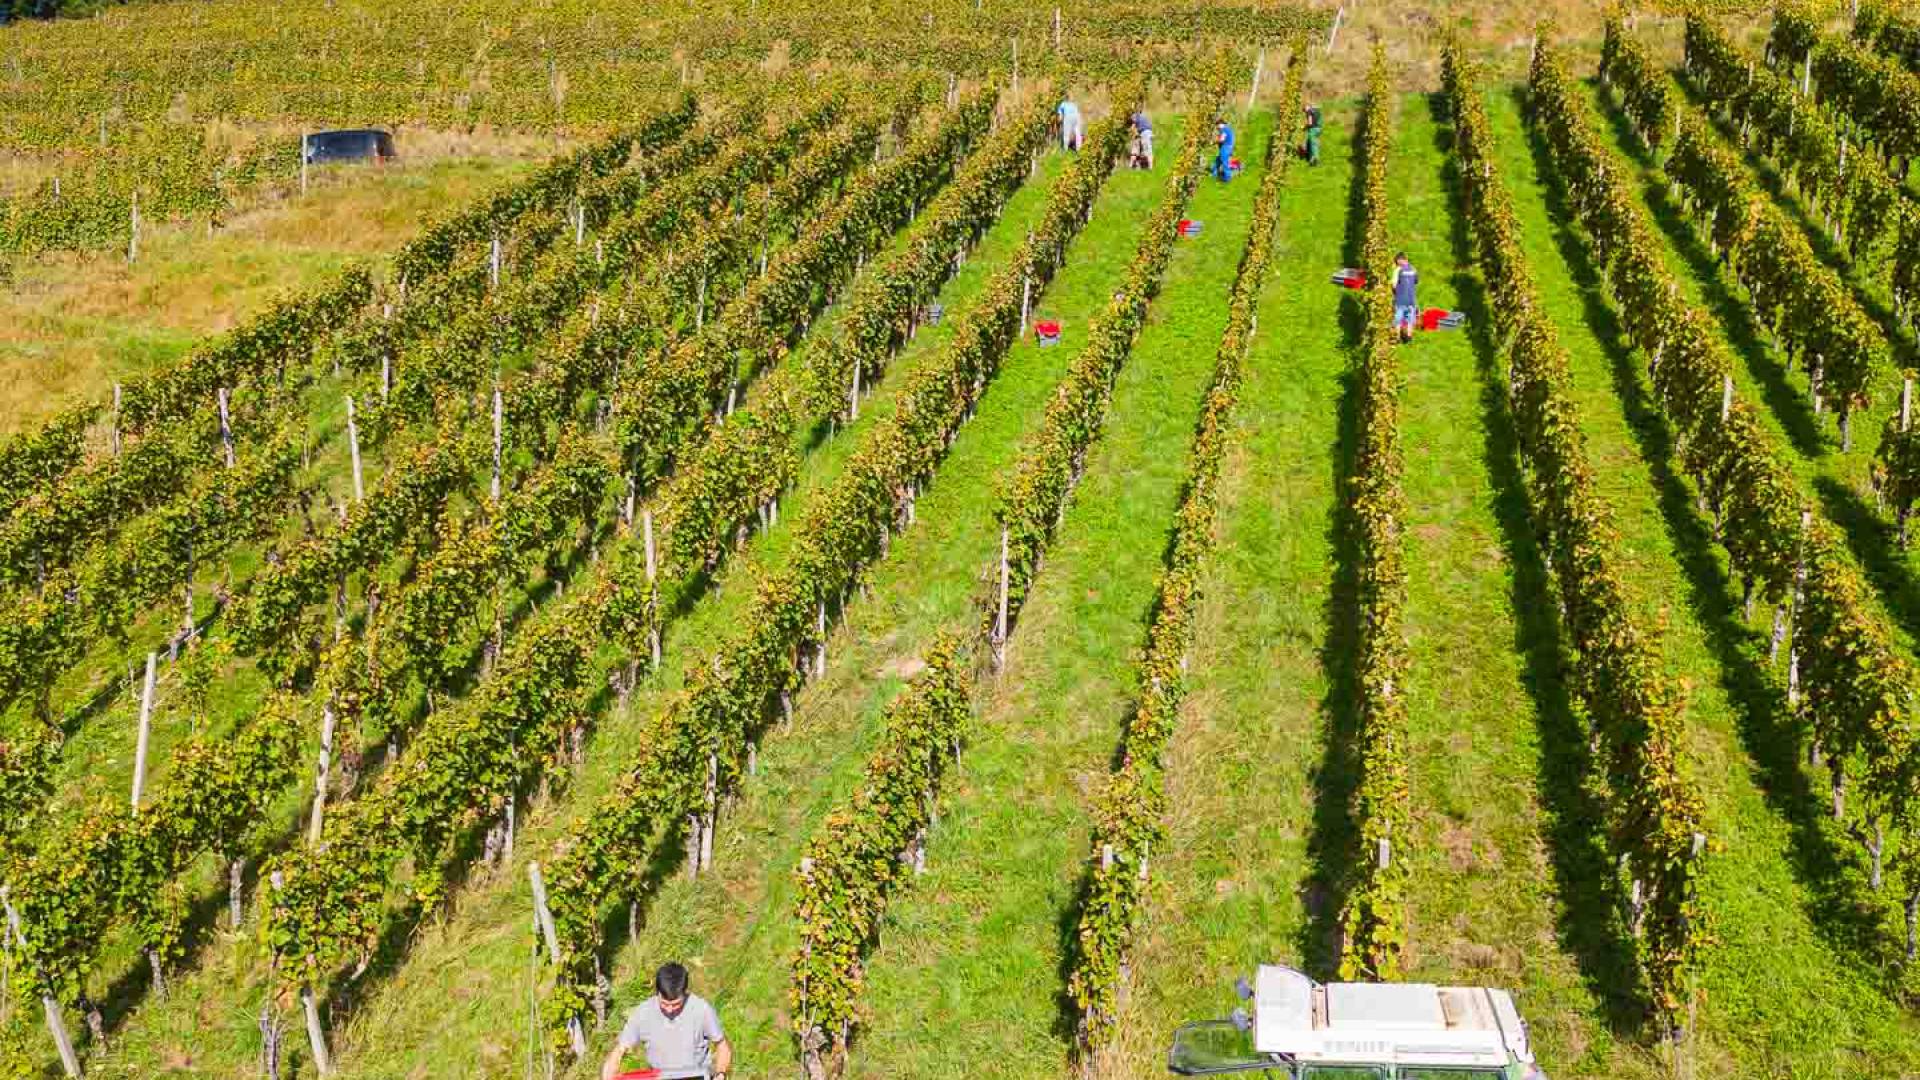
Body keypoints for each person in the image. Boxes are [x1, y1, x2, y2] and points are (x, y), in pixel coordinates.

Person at [602, 963, 732, 1080]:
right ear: (657, 993)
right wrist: (611, 1067)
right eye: (664, 1003)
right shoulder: (642, 1013)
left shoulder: (701, 1010)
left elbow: (722, 1045)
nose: (670, 1010)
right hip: (659, 1076)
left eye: (676, 1004)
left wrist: (720, 1074)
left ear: (685, 993)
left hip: (696, 1076)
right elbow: (619, 1050)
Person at [1392, 252, 1419, 344]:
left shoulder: (1398, 270)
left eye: (1396, 261)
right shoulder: (1414, 269)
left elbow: (1394, 285)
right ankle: (1409, 337)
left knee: (1398, 318)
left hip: (1400, 299)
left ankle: (1397, 337)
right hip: (1411, 299)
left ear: (1399, 260)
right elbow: (1416, 281)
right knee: (1410, 319)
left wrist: (1395, 293)